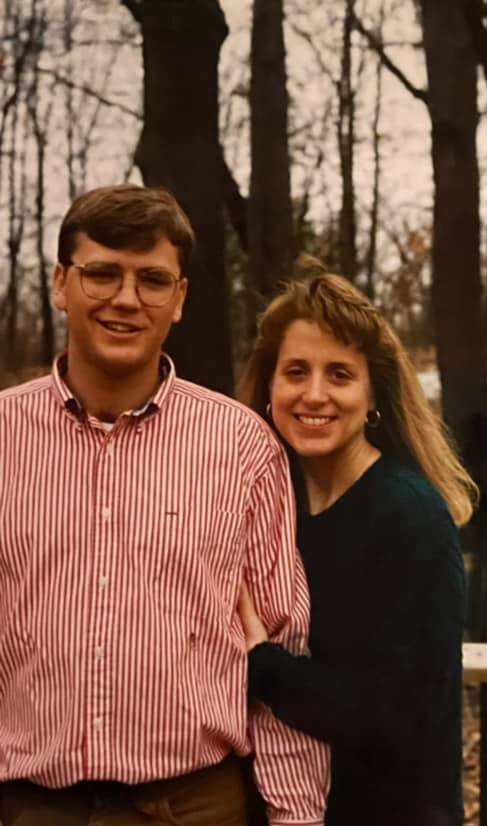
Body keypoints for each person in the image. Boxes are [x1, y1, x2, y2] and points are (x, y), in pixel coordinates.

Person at [0, 185, 328, 825]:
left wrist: (297, 818)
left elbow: (282, 646)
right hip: (29, 807)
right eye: (102, 273)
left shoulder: (240, 446)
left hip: (193, 806)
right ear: (62, 284)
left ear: (178, 300)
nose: (126, 299)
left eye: (152, 280)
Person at [236, 259, 472, 826]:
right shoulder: (265, 506)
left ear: (372, 397)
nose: (314, 394)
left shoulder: (410, 516)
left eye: (339, 375)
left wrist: (263, 666)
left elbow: (400, 717)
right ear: (269, 388)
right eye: (296, 372)